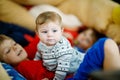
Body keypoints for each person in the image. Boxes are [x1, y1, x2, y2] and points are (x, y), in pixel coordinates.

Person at [34, 11, 86, 80]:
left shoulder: (62, 47)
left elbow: (62, 70)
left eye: (54, 31)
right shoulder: (41, 44)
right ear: (37, 33)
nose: (50, 35)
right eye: (44, 31)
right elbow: (39, 53)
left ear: (61, 31)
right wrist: (34, 62)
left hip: (78, 64)